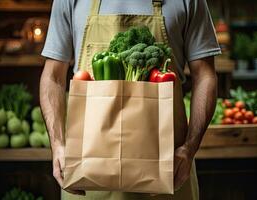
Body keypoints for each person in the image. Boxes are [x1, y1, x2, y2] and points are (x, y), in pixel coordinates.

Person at [40, 0, 221, 199]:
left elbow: (205, 75)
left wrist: (189, 149)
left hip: (169, 171)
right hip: (88, 175)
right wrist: (58, 145)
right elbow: (53, 77)